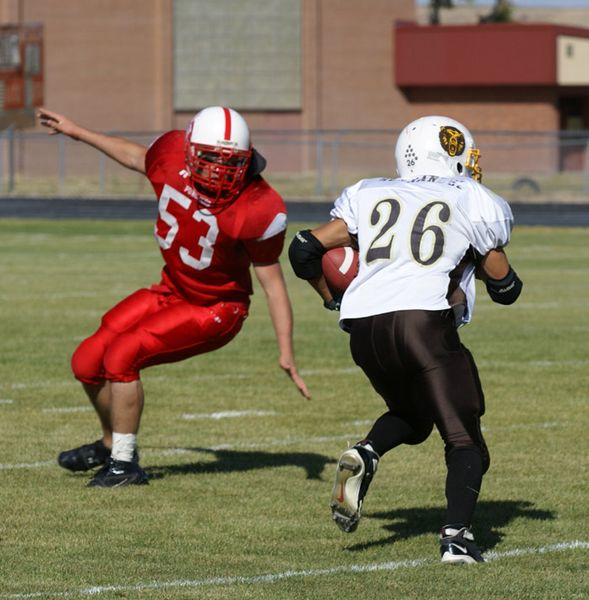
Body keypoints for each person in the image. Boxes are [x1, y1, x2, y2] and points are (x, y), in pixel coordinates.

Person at [289, 115, 522, 563]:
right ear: (454, 155)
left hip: (363, 330)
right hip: (423, 324)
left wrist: (332, 300)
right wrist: (495, 271)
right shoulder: (470, 198)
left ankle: (367, 451)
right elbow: (506, 287)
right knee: (465, 439)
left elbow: (303, 248)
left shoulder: (369, 191)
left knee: (414, 418)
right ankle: (457, 539)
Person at [37, 105, 310, 488]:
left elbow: (272, 281)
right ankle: (111, 442)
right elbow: (136, 156)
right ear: (189, 152)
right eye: (211, 158)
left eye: (229, 162)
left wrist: (286, 350)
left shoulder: (258, 206)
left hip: (217, 308)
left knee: (122, 356)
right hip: (172, 289)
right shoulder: (168, 154)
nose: (218, 169)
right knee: (86, 361)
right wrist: (78, 131)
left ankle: (125, 464)